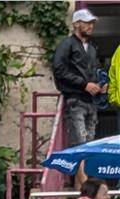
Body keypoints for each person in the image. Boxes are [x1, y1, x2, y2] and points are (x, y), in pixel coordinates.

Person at [52, 8, 101, 149]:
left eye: (92, 23)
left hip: (91, 103)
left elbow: (95, 71)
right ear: (76, 24)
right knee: (80, 142)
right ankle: (79, 165)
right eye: (87, 22)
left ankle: (83, 165)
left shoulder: (91, 48)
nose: (91, 26)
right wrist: (84, 84)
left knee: (89, 143)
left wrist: (100, 84)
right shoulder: (67, 44)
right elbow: (59, 69)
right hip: (75, 102)